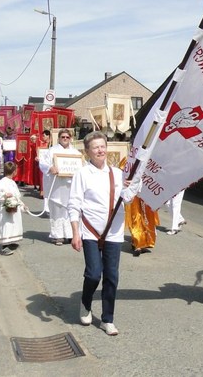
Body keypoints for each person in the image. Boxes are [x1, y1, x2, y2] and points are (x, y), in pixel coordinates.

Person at [68, 131, 130, 336]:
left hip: (113, 232)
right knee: (94, 273)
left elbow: (128, 199)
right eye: (95, 147)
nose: (100, 150)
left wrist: (131, 188)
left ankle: (107, 319)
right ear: (87, 152)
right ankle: (85, 302)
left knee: (111, 276)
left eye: (102, 146)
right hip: (90, 231)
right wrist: (75, 232)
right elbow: (74, 203)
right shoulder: (82, 174)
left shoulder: (118, 174)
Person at [39, 129, 81, 245]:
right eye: (63, 137)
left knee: (71, 210)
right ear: (58, 138)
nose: (65, 139)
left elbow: (82, 165)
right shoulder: (52, 151)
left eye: (67, 137)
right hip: (56, 186)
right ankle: (58, 235)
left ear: (70, 138)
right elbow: (43, 163)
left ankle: (70, 234)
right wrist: (50, 168)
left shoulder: (76, 153)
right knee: (57, 210)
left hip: (70, 186)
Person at [0, 161, 27, 256]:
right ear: (14, 171)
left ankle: (12, 241)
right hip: (5, 211)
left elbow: (16, 197)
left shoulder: (13, 183)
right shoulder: (2, 182)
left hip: (14, 209)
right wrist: (5, 195)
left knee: (15, 224)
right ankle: (4, 246)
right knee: (6, 225)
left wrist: (23, 206)